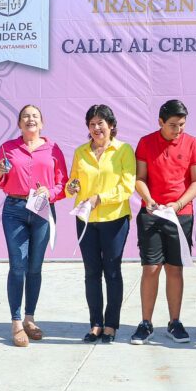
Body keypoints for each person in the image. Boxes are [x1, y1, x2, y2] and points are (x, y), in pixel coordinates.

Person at [0, 104, 69, 347]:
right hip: (15, 209)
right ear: (19, 124)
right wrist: (1, 172)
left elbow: (63, 183)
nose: (30, 119)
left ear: (42, 123)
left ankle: (29, 318)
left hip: (42, 210)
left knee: (35, 267)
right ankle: (15, 322)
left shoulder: (53, 149)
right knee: (17, 265)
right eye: (25, 116)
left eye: (35, 115)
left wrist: (51, 191)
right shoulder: (8, 148)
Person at [130, 99, 196, 345]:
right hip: (151, 214)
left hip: (180, 215)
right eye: (173, 125)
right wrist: (148, 199)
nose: (178, 130)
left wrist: (179, 204)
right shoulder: (145, 142)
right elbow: (139, 178)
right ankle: (145, 323)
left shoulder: (193, 144)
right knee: (151, 268)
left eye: (182, 124)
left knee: (175, 268)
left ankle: (175, 322)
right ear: (160, 122)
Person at [68, 104, 136, 343]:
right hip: (86, 219)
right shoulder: (80, 152)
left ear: (111, 126)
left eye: (101, 123)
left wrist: (101, 198)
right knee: (91, 273)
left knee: (113, 272)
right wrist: (71, 187)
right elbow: (71, 184)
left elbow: (127, 187)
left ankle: (111, 325)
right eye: (92, 124)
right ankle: (95, 323)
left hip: (114, 219)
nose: (96, 128)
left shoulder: (124, 150)